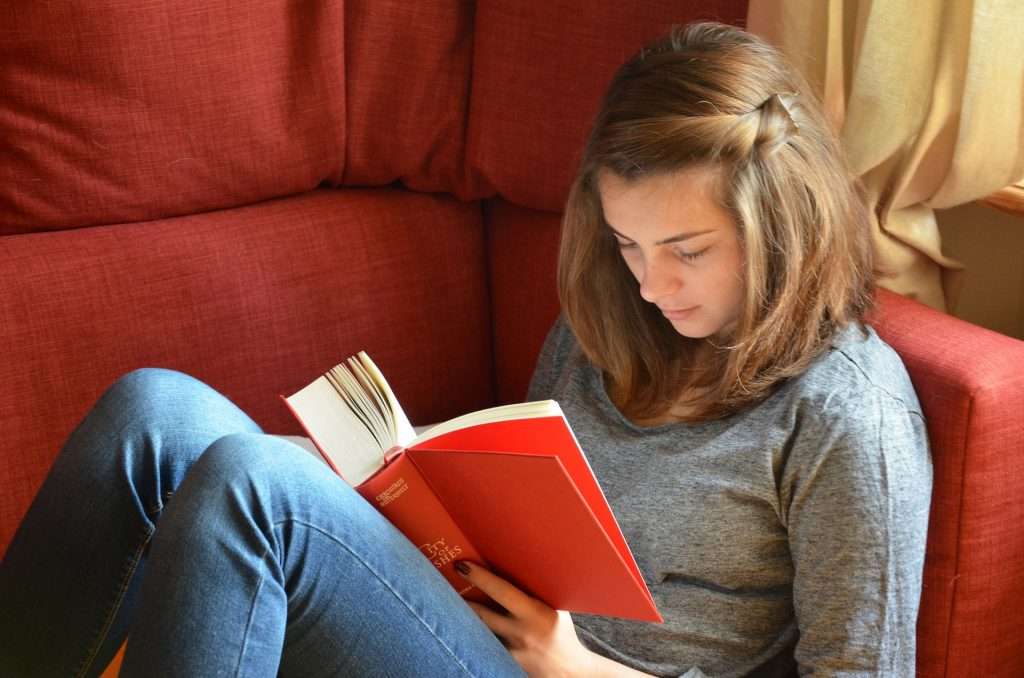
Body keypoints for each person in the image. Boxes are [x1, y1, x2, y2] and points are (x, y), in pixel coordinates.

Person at [0, 22, 931, 678]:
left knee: (252, 486)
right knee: (154, 412)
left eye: (687, 252)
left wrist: (577, 668)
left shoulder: (849, 413)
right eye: (627, 245)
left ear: (780, 223)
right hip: (467, 633)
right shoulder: (616, 320)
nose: (651, 284)